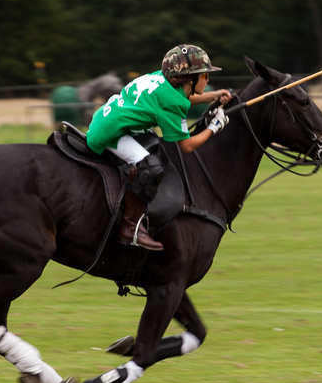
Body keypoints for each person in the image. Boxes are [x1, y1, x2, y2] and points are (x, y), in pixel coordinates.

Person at [85, 44, 235, 250]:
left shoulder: (162, 79)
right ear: (189, 78)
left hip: (106, 118)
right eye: (205, 75)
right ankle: (130, 228)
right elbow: (187, 146)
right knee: (150, 167)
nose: (207, 80)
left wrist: (213, 95)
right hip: (111, 133)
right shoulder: (171, 102)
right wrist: (214, 127)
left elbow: (183, 98)